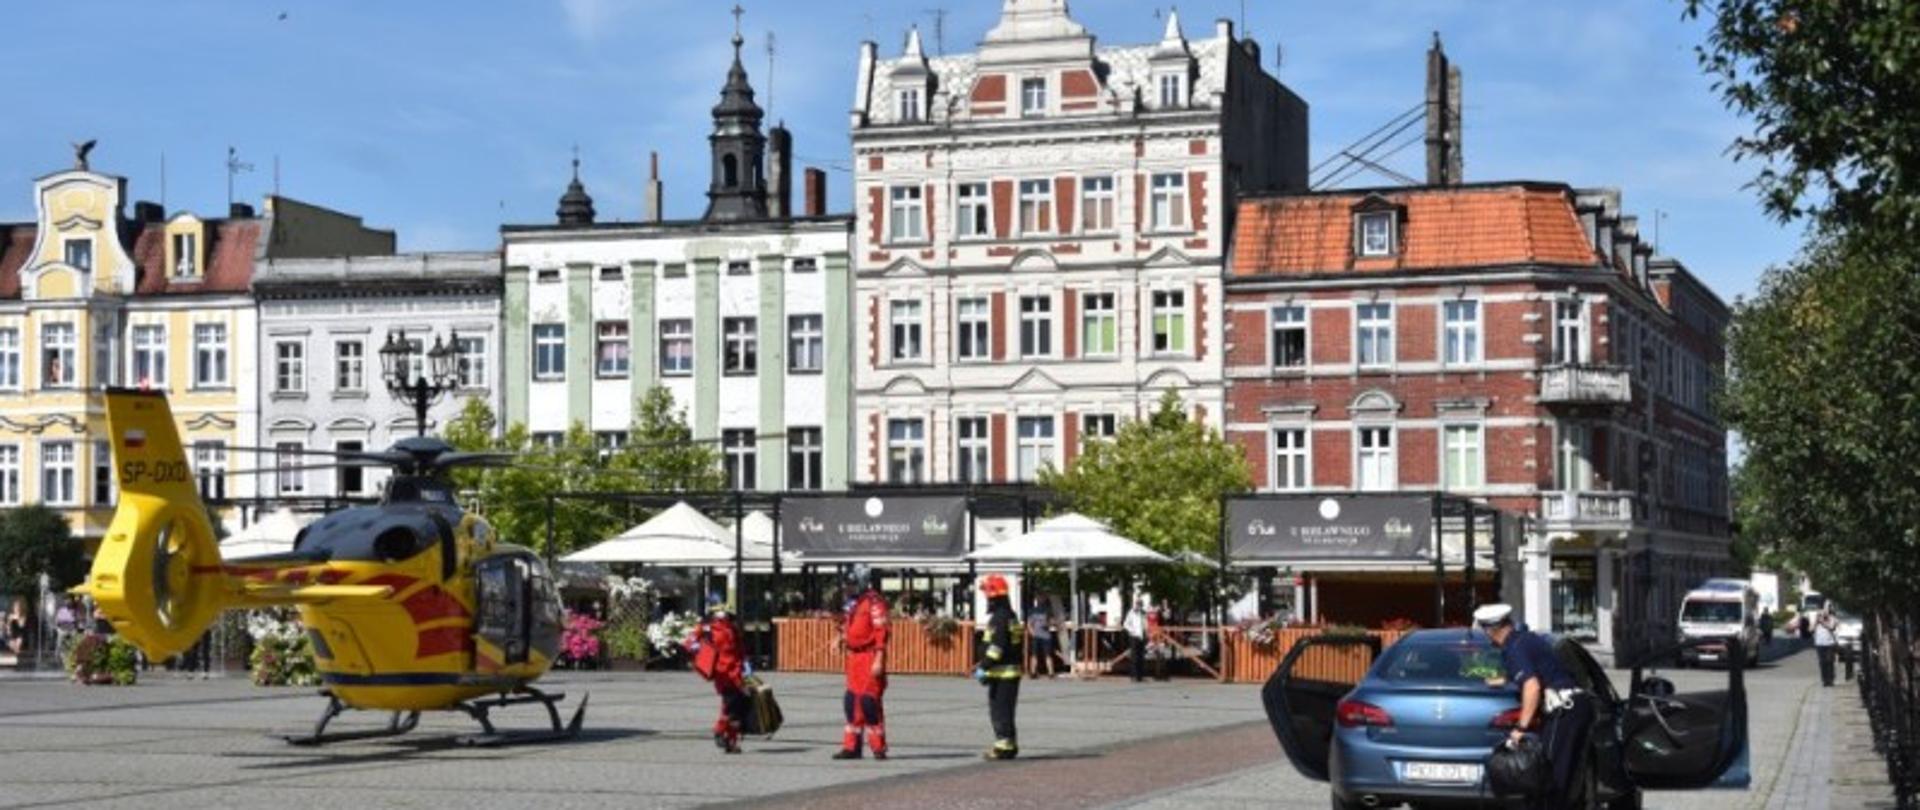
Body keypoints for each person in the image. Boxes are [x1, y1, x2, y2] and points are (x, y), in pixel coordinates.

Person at [1475, 604, 1595, 810]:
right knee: (1566, 777)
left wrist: (1520, 729)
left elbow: (1532, 686)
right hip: (1577, 707)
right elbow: (1535, 670)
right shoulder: (1525, 639)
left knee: (1550, 775)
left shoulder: (1514, 648)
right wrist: (1502, 680)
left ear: (1491, 630)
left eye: (1485, 632)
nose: (1487, 638)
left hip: (1564, 710)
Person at [834, 565, 889, 760]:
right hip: (854, 658)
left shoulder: (874, 602)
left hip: (870, 656)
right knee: (851, 701)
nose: (848, 588)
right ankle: (852, 747)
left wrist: (879, 660)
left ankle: (878, 747)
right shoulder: (854, 603)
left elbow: (882, 632)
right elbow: (849, 624)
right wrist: (840, 638)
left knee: (869, 702)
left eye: (852, 584)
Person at [686, 593, 747, 754]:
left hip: (737, 670)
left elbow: (740, 648)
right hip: (722, 672)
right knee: (730, 705)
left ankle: (731, 741)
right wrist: (698, 649)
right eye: (719, 609)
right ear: (713, 611)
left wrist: (746, 664)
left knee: (738, 707)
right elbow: (689, 642)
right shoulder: (706, 628)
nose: (723, 612)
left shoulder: (732, 627)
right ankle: (720, 731)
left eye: (724, 609)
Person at [976, 574, 1023, 760]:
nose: (986, 598)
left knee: (1000, 711)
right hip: (1006, 672)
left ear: (994, 597)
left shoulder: (1000, 618)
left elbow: (997, 647)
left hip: (1002, 673)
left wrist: (984, 666)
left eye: (987, 594)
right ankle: (1008, 744)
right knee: (1005, 710)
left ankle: (1004, 747)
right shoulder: (1009, 616)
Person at [1026, 594, 1059, 678]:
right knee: (1034, 654)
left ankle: (1051, 673)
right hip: (1036, 635)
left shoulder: (1048, 610)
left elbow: (1053, 622)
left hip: (1046, 636)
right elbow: (1029, 624)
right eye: (1039, 598)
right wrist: (1032, 632)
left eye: (1042, 598)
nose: (1040, 600)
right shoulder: (1032, 611)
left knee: (1048, 654)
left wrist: (1049, 623)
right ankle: (1033, 672)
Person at [1123, 597, 1150, 682]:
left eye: (1141, 604)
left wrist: (1147, 633)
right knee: (1134, 657)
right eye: (1138, 604)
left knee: (1141, 657)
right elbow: (1126, 624)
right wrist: (1133, 631)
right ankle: (1133, 676)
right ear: (1136, 604)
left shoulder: (1143, 613)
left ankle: (1140, 676)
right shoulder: (1131, 613)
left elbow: (1146, 624)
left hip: (1142, 637)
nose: (1139, 606)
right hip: (1134, 637)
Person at [1812, 607, 1839, 687]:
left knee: (1829, 661)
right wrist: (1816, 622)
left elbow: (1831, 627)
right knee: (1822, 662)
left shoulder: (1832, 618)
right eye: (1820, 613)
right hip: (1819, 644)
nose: (1822, 614)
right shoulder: (1817, 621)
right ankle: (1824, 680)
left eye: (1824, 612)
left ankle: (1830, 680)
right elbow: (1811, 629)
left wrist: (1823, 622)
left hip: (1830, 644)